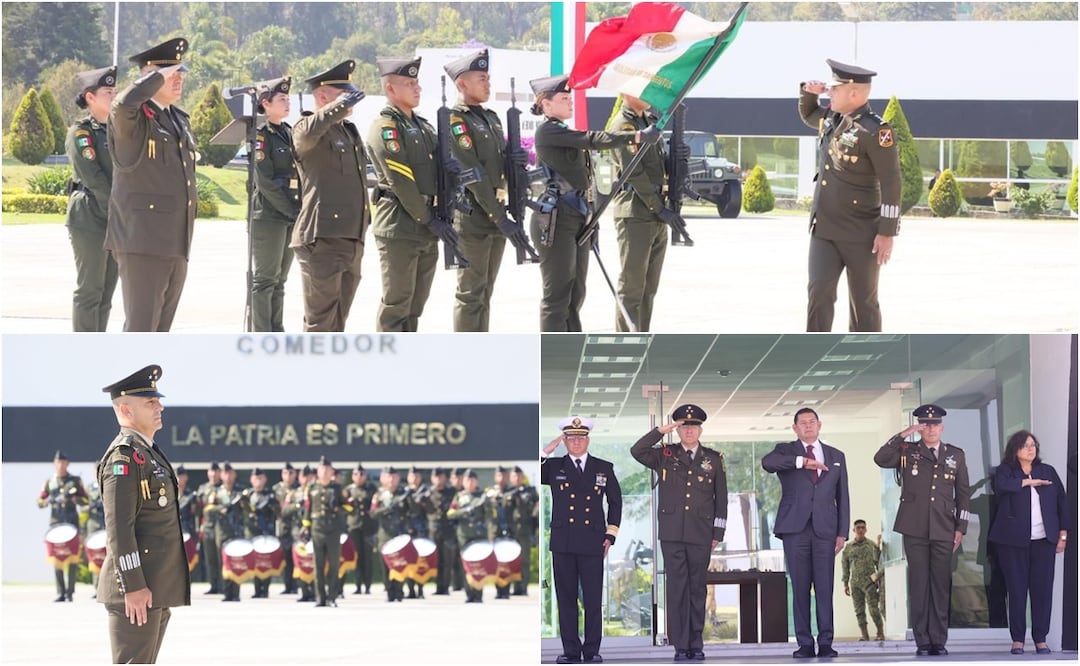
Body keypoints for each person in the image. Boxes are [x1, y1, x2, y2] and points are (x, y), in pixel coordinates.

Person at [529, 74, 657, 331]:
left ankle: (570, 348)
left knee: (576, 292)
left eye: (570, 98)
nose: (570, 103)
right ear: (546, 104)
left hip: (576, 215)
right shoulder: (548, 130)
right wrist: (636, 137)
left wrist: (591, 217)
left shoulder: (563, 130)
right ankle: (553, 355)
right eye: (564, 99)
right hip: (556, 219)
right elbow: (592, 140)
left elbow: (585, 179)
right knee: (557, 295)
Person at [799, 59, 901, 333]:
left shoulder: (877, 131)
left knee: (863, 304)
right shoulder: (833, 119)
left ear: (854, 93)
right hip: (825, 230)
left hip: (862, 233)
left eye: (834, 89)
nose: (829, 93)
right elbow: (809, 114)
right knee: (818, 293)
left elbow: (892, 182)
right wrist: (810, 92)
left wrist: (887, 231)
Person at [97, 365, 189, 663]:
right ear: (126, 410)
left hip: (154, 588)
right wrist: (133, 585)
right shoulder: (123, 457)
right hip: (137, 591)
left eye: (157, 400)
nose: (160, 406)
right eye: (150, 403)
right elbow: (119, 529)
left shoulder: (147, 451)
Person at [105, 37, 197, 332]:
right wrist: (157, 77)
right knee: (142, 329)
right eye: (170, 73)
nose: (177, 79)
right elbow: (121, 104)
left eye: (180, 73)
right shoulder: (133, 117)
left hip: (175, 241)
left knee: (161, 331)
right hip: (142, 240)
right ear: (148, 76)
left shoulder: (177, 118)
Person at [444, 48, 532, 331]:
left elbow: (496, 165)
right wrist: (500, 217)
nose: (487, 83)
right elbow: (474, 174)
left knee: (485, 292)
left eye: (488, 77)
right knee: (470, 294)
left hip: (495, 216)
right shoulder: (456, 121)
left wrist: (513, 159)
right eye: (481, 78)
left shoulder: (491, 118)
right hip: (474, 219)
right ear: (462, 84)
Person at [630, 404, 727, 662]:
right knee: (677, 590)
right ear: (678, 429)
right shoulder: (665, 454)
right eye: (684, 426)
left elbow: (721, 499)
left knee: (697, 590)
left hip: (701, 533)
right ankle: (680, 646)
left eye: (693, 426)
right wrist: (661, 431)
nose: (689, 431)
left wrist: (717, 533)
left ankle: (696, 644)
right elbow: (637, 451)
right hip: (672, 533)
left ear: (700, 430)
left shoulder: (713, 459)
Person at [874, 404, 970, 656]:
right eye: (925, 424)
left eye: (935, 424)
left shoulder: (955, 455)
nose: (930, 429)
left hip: (944, 527)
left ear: (942, 427)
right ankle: (923, 641)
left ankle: (939, 639)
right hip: (914, 527)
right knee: (919, 584)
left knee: (940, 585)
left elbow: (963, 495)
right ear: (919, 427)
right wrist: (904, 433)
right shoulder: (907, 450)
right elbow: (880, 458)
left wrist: (961, 527)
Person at [762, 408, 850, 658]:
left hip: (825, 529)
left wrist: (842, 531)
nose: (808, 426)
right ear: (795, 428)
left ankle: (825, 641)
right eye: (803, 423)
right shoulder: (785, 451)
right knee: (799, 588)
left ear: (820, 425)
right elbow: (767, 463)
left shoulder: (836, 455)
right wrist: (803, 462)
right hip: (795, 529)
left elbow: (842, 495)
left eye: (812, 422)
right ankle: (803, 642)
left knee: (824, 588)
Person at [290, 60, 369, 331]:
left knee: (338, 322)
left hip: (350, 238)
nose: (349, 102)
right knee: (320, 323)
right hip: (322, 240)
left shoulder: (348, 132)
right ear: (322, 96)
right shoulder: (305, 128)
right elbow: (312, 128)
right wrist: (338, 107)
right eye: (342, 94)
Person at [368, 56, 443, 332]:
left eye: (417, 83)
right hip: (400, 226)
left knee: (415, 306)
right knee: (396, 305)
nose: (417, 88)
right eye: (409, 83)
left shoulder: (424, 127)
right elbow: (401, 180)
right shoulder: (386, 128)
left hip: (426, 226)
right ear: (391, 89)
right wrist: (429, 219)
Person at [542, 417, 622, 664]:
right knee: (566, 599)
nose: (576, 442)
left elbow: (616, 502)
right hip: (563, 542)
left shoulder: (603, 467)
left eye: (580, 437)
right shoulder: (553, 466)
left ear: (588, 440)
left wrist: (610, 535)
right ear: (564, 441)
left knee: (592, 599)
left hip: (592, 542)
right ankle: (571, 651)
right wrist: (546, 450)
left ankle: (592, 651)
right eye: (570, 438)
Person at [987, 431, 1068, 655]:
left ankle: (1041, 638)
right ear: (1015, 450)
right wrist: (1029, 482)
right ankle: (1018, 640)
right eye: (1025, 445)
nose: (1031, 449)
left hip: (1044, 541)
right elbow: (1001, 486)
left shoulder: (1048, 471)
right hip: (1012, 543)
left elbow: (1062, 502)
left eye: (1033, 445)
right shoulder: (1005, 471)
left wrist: (1062, 535)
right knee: (1017, 590)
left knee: (1042, 591)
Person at [605, 94, 673, 332]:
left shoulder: (649, 122)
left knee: (648, 288)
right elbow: (633, 172)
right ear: (627, 93)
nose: (649, 94)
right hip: (635, 212)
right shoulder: (624, 126)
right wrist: (659, 207)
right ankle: (625, 343)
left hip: (655, 212)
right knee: (632, 286)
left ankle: (640, 337)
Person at [65, 65, 118, 332]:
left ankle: (100, 344)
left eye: (114, 90)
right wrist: (121, 210)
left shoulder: (119, 130)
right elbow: (94, 178)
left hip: (116, 217)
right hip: (89, 215)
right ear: (90, 97)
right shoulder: (81, 133)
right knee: (90, 291)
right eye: (108, 91)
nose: (114, 95)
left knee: (107, 292)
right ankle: (83, 348)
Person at [250, 76, 300, 332]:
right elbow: (265, 180)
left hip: (290, 216)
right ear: (265, 104)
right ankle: (261, 331)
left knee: (281, 279)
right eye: (282, 99)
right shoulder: (260, 135)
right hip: (269, 216)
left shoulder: (289, 132)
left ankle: (275, 329)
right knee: (265, 279)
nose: (287, 102)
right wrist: (290, 211)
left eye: (288, 98)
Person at [38, 450, 89, 601]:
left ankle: (70, 592)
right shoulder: (49, 482)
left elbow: (86, 501)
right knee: (57, 556)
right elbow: (39, 502)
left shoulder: (75, 480)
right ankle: (60, 592)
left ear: (67, 464)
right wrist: (49, 501)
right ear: (54, 464)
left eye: (63, 462)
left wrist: (75, 499)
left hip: (71, 523)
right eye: (58, 462)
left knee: (72, 557)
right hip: (56, 523)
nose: (60, 465)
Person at [301, 456, 352, 607]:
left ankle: (332, 597)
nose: (324, 472)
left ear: (331, 472)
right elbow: (307, 509)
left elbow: (349, 507)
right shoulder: (311, 488)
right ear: (317, 471)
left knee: (334, 565)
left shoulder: (337, 489)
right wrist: (305, 527)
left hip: (333, 529)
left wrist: (338, 508)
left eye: (327, 470)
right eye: (321, 469)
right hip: (317, 529)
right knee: (318, 565)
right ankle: (320, 598)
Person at [447, 469, 491, 603]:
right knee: (466, 565)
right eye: (467, 480)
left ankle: (478, 594)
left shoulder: (482, 496)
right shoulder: (459, 496)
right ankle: (469, 593)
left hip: (479, 535)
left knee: (479, 565)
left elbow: (490, 515)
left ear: (476, 481)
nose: (470, 483)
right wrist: (464, 512)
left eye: (472, 480)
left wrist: (488, 504)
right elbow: (450, 513)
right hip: (464, 535)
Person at [371, 466, 410, 602]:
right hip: (385, 534)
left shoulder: (404, 493)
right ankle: (389, 590)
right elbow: (373, 513)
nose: (391, 480)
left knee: (399, 563)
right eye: (388, 477)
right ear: (383, 478)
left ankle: (399, 591)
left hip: (399, 533)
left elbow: (412, 511)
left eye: (394, 477)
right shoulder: (379, 494)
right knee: (386, 565)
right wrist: (386, 509)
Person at [841, 520, 884, 642]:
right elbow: (845, 565)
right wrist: (845, 583)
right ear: (853, 530)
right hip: (855, 584)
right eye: (858, 528)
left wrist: (878, 578)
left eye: (862, 528)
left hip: (869, 582)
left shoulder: (871, 545)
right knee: (859, 611)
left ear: (866, 530)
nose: (860, 530)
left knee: (873, 609)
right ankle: (865, 636)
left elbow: (879, 562)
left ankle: (880, 633)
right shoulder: (849, 548)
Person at [243, 468, 280, 599]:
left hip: (266, 532)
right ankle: (257, 589)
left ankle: (265, 589)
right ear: (251, 480)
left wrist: (273, 504)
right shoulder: (247, 496)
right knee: (255, 561)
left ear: (265, 479)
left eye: (260, 478)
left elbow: (277, 513)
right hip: (253, 532)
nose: (258, 481)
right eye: (255, 478)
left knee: (266, 561)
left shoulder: (270, 495)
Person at [344, 464, 376, 595]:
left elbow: (374, 505)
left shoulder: (371, 489)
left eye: (361, 474)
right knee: (356, 557)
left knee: (367, 558)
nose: (359, 477)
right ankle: (357, 585)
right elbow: (344, 507)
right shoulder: (348, 490)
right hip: (354, 526)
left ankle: (367, 585)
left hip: (368, 526)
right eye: (356, 474)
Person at [508, 465, 539, 596]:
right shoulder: (508, 492)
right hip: (511, 530)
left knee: (524, 560)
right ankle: (514, 587)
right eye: (514, 476)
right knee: (511, 560)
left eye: (519, 475)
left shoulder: (530, 491)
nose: (517, 478)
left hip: (526, 530)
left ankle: (523, 587)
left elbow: (537, 507)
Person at [425, 467, 457, 595]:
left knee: (447, 559)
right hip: (434, 529)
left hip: (448, 529)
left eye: (441, 477)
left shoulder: (451, 492)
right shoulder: (428, 493)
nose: (438, 480)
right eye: (436, 477)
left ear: (445, 478)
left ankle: (445, 586)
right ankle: (438, 586)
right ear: (432, 479)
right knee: (435, 559)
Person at [272, 462, 300, 594]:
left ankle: (296, 584)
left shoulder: (299, 488)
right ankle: (287, 585)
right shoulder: (276, 488)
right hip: (282, 526)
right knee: (285, 558)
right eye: (285, 473)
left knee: (296, 557)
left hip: (295, 527)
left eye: (291, 473)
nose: (288, 476)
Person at [196, 462, 222, 594]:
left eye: (216, 471)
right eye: (211, 471)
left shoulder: (223, 488)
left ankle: (223, 585)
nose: (213, 474)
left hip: (220, 527)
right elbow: (198, 510)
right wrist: (199, 526)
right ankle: (213, 585)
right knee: (210, 557)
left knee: (220, 557)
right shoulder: (203, 488)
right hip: (207, 527)